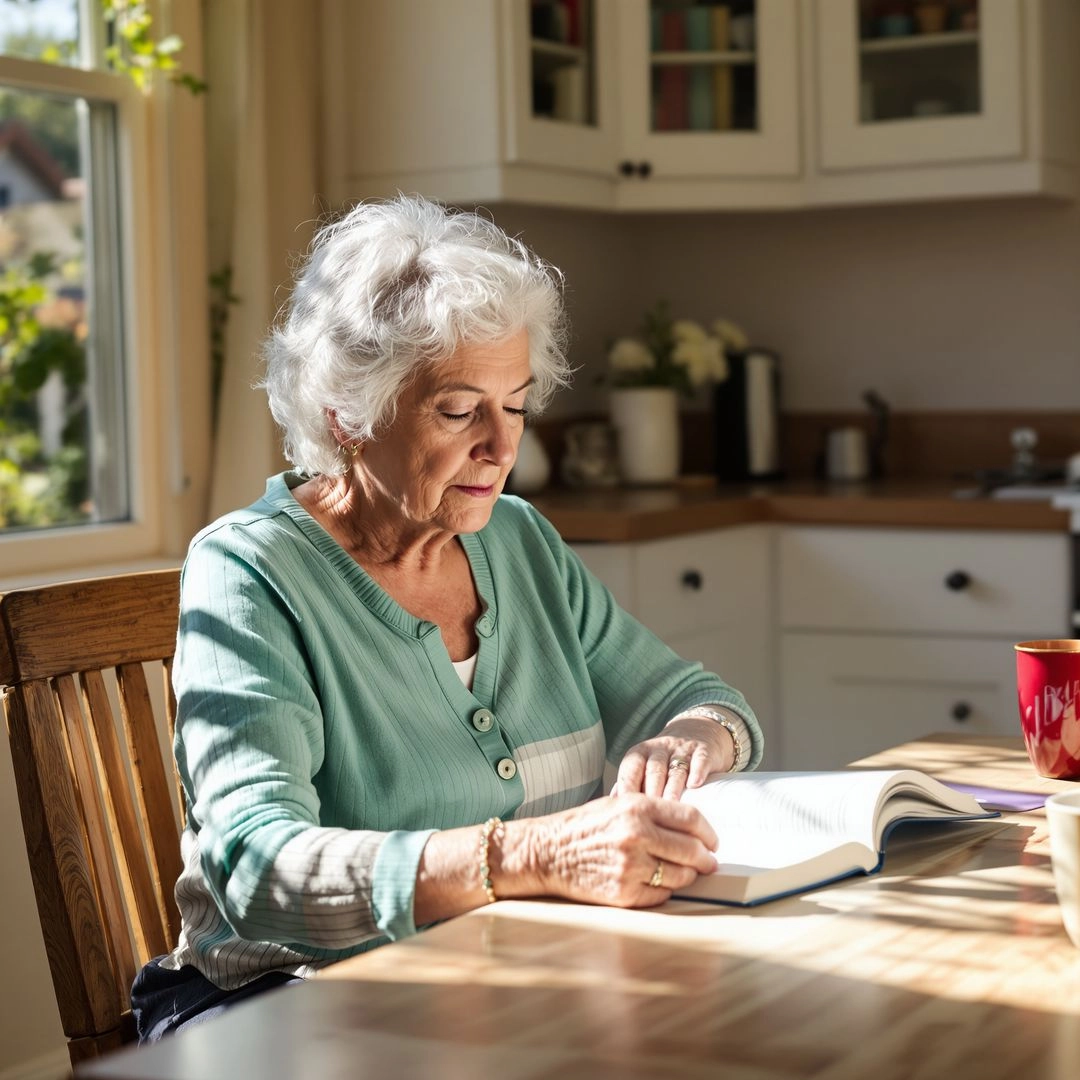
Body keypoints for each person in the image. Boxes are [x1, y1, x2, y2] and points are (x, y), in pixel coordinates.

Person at [132, 194, 763, 1040]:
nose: (503, 450)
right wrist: (527, 857)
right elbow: (257, 864)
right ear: (347, 415)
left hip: (507, 982)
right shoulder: (249, 571)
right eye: (461, 410)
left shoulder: (521, 542)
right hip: (288, 1009)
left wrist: (691, 739)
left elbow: (708, 701)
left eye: (517, 406)